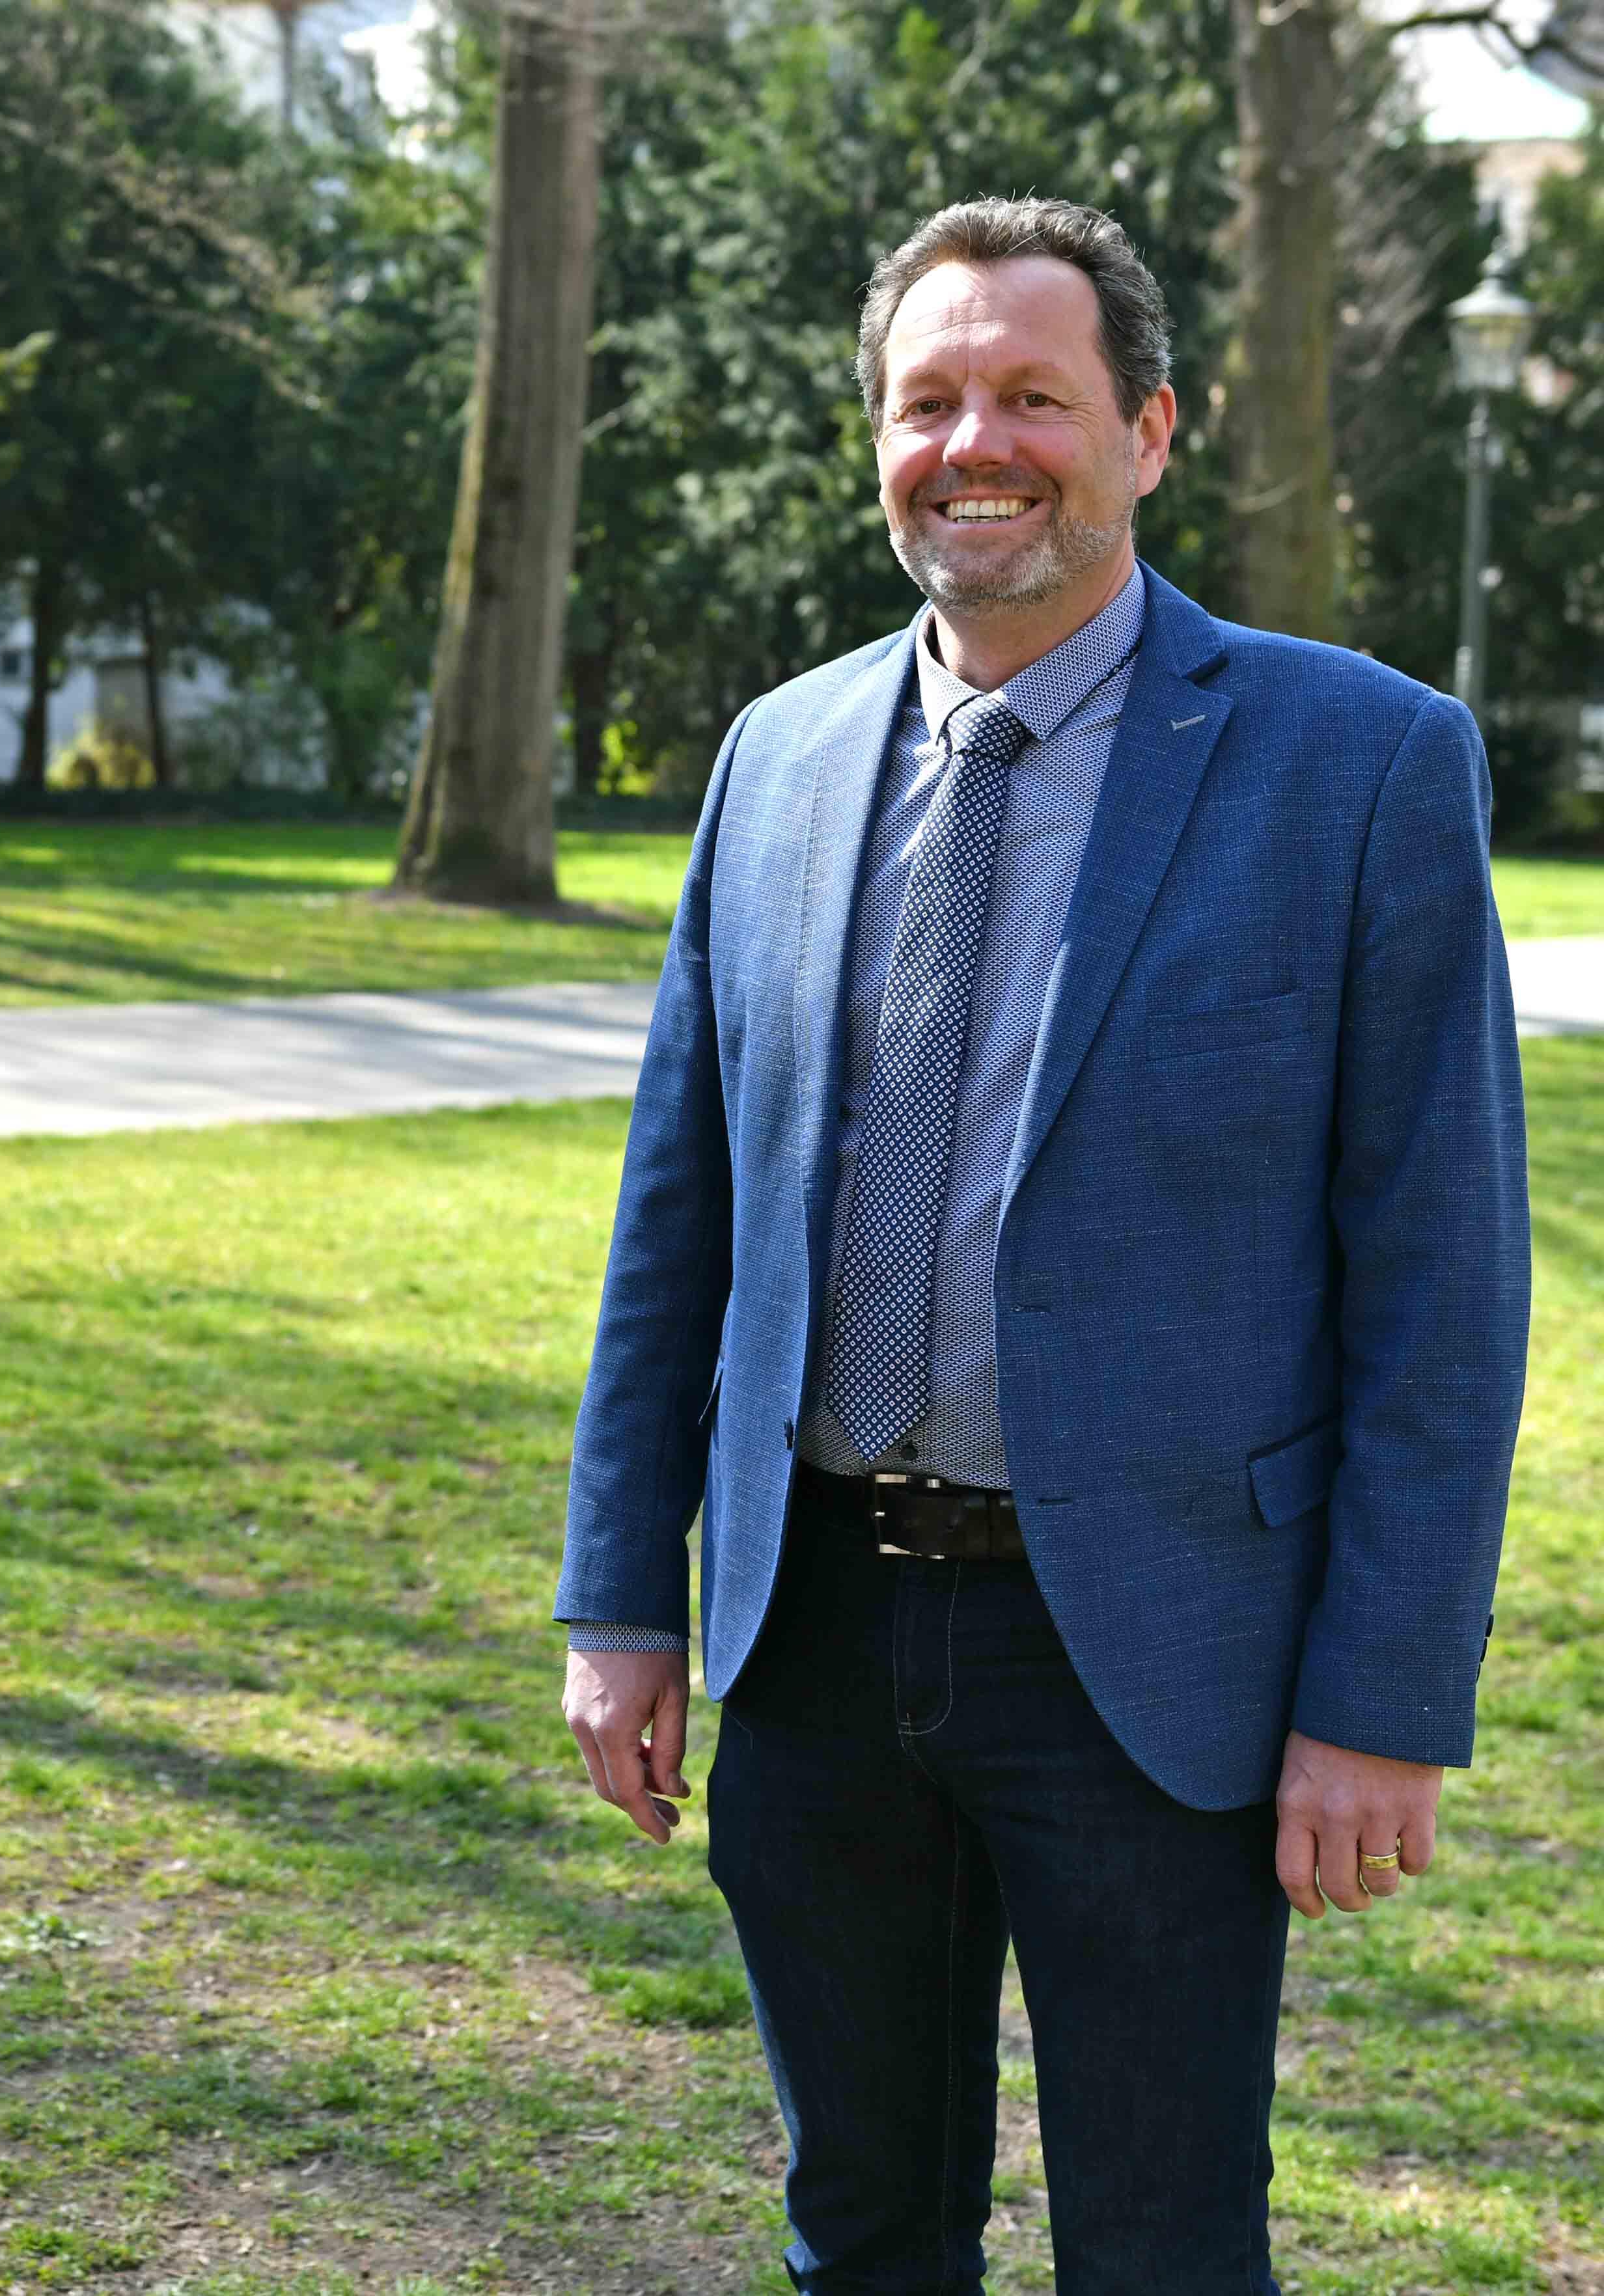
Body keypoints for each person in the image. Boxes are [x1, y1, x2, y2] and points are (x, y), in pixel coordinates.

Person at [553, 198, 1528, 2292]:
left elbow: (1443, 1290)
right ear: (878, 439)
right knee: (862, 2231)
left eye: (1032, 396)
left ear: (1151, 430)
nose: (972, 442)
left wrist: (1385, 1701)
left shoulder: (1362, 764)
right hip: (808, 1637)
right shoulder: (778, 759)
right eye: (929, 400)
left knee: (1166, 2252)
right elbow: (678, 1222)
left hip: (1156, 1658)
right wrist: (622, 1599)